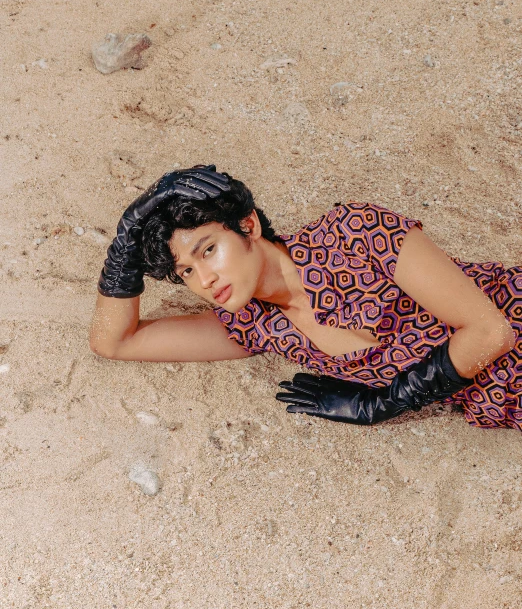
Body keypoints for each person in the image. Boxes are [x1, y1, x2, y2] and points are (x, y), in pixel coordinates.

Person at [89, 165, 521, 430]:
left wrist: (383, 403)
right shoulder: (254, 327)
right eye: (186, 270)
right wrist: (123, 245)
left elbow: (491, 331)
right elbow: (114, 343)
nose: (203, 277)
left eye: (208, 249)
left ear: (249, 226)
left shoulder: (354, 232)